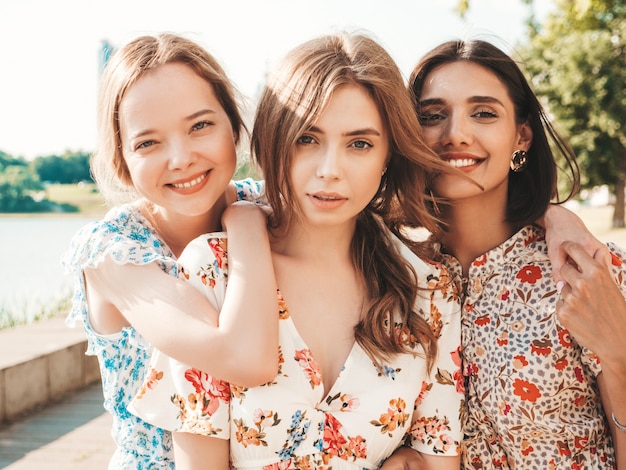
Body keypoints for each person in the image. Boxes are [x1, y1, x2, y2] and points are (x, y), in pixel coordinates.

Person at [129, 32, 465, 469]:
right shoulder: (214, 271)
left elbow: (437, 460)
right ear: (275, 141)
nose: (330, 171)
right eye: (308, 139)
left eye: (359, 144)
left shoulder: (429, 290)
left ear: (388, 156)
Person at [62, 33, 279, 469]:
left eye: (200, 126)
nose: (180, 158)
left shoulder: (278, 207)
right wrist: (246, 227)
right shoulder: (113, 253)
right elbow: (243, 359)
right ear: (122, 160)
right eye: (148, 143)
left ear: (234, 126)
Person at [408, 38, 626, 468]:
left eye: (484, 113)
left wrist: (619, 353)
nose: (456, 134)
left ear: (521, 135)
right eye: (432, 116)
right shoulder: (396, 276)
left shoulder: (585, 266)